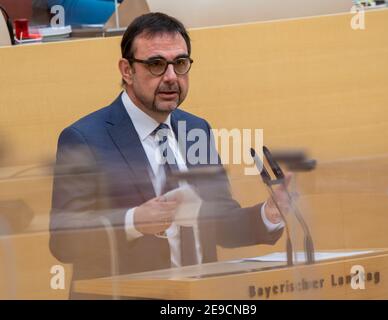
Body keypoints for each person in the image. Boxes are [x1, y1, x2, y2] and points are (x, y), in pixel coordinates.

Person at [49, 12, 289, 299]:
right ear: (127, 70)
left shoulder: (195, 129)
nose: (172, 77)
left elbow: (218, 222)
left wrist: (267, 214)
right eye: (156, 65)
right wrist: (133, 222)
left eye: (181, 63)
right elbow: (64, 241)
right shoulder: (85, 139)